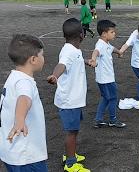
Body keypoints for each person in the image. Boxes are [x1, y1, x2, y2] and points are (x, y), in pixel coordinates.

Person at [47, 18, 90, 172]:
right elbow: (62, 65)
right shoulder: (68, 51)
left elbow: (74, 60)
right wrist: (55, 76)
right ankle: (70, 163)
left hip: (74, 100)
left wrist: (86, 61)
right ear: (81, 35)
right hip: (69, 101)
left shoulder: (74, 50)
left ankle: (70, 155)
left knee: (74, 130)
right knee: (71, 132)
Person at [0, 34, 48, 171]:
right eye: (42, 55)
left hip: (12, 151)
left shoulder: (14, 76)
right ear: (33, 59)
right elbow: (24, 98)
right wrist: (20, 119)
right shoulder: (24, 82)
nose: (43, 58)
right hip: (26, 155)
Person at [88, 19, 126, 128]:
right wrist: (93, 60)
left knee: (105, 97)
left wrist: (119, 52)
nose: (115, 34)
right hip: (106, 79)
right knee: (113, 98)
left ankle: (98, 120)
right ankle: (113, 120)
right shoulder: (100, 45)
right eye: (112, 32)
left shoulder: (106, 43)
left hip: (103, 79)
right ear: (104, 34)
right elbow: (96, 52)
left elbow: (111, 48)